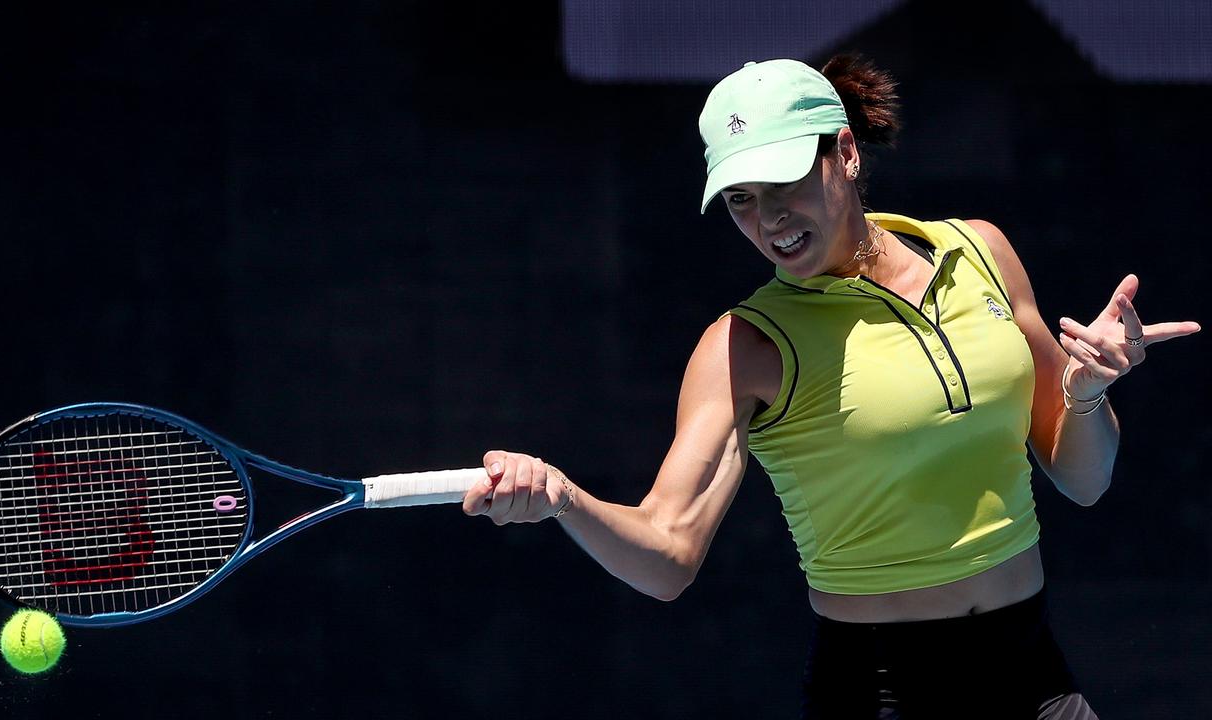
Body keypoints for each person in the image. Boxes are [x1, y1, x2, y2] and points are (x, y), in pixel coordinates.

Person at [461, 55, 1200, 718]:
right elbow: (667, 553)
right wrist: (566, 500)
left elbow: (1083, 479)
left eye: (782, 181)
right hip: (878, 693)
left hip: (1035, 679)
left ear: (844, 153)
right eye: (740, 199)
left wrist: (1086, 395)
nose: (769, 219)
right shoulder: (744, 345)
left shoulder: (981, 251)